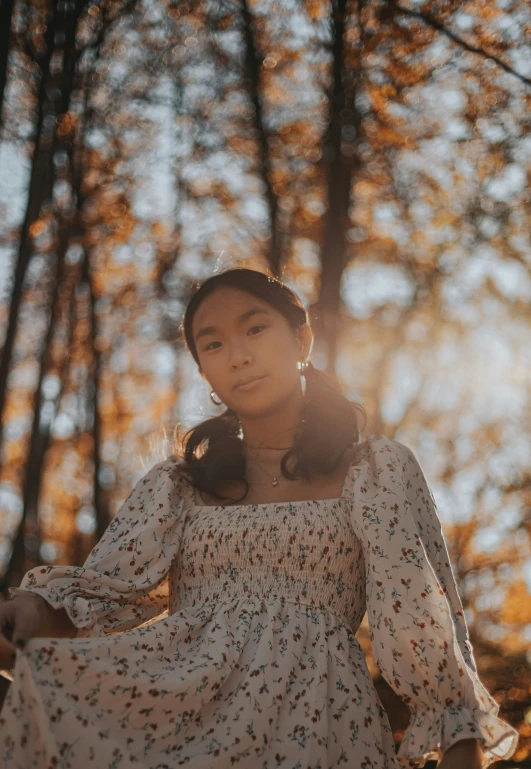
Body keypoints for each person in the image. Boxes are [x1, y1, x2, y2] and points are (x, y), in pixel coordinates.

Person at [0, 268, 518, 768]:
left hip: (323, 717)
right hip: (181, 709)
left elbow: (418, 611)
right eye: (214, 344)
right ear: (203, 370)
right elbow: (104, 594)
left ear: (302, 340)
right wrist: (36, 612)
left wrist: (458, 735)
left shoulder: (375, 470)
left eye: (255, 328)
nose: (239, 356)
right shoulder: (177, 485)